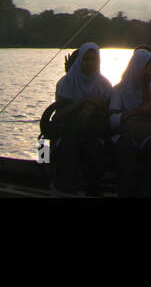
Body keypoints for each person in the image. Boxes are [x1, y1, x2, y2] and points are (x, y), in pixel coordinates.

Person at [50, 42, 112, 194]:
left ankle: (93, 190)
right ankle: (60, 186)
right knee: (59, 147)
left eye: (93, 60)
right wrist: (83, 103)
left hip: (93, 133)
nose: (90, 64)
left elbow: (108, 116)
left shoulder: (104, 85)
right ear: (79, 61)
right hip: (66, 132)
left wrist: (94, 108)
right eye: (86, 59)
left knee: (95, 150)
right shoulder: (66, 83)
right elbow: (58, 116)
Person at [109, 47, 151, 197]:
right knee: (127, 145)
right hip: (125, 133)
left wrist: (145, 86)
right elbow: (113, 121)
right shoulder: (119, 89)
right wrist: (136, 111)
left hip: (148, 132)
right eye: (148, 67)